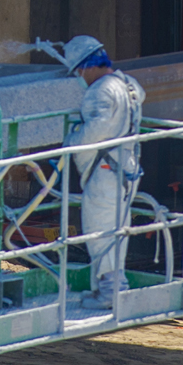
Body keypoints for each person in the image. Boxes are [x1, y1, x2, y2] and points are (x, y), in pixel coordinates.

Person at [34, 34, 146, 311]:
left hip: (106, 173)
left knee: (99, 233)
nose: (79, 78)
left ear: (86, 66)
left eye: (79, 72)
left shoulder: (100, 91)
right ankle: (111, 288)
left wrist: (70, 140)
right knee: (116, 230)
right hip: (124, 170)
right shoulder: (128, 84)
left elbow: (96, 130)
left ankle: (110, 292)